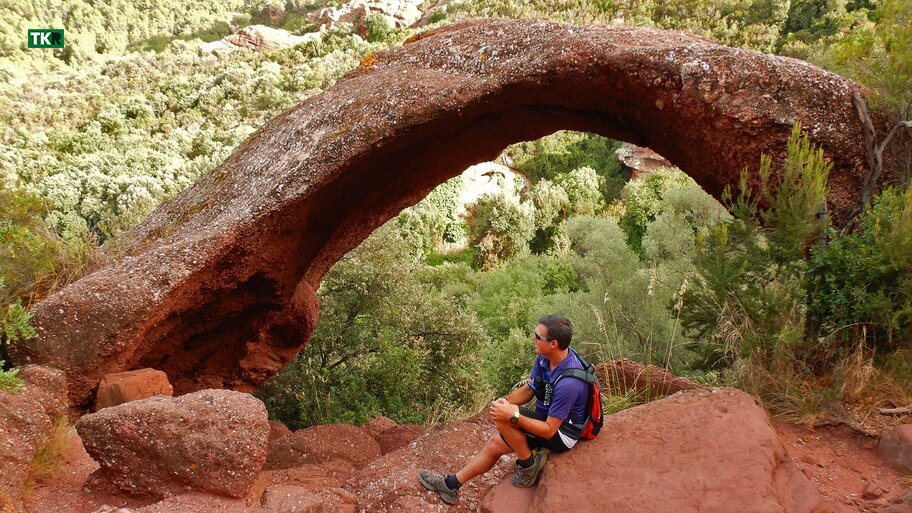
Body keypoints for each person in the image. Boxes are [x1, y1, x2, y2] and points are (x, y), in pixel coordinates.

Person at [418, 314, 589, 504]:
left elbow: (550, 430)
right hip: (546, 418)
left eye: (537, 336)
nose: (533, 338)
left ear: (553, 344)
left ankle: (528, 466)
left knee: (504, 418)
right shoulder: (545, 359)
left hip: (561, 433)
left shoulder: (569, 383)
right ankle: (450, 485)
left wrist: (513, 415)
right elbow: (528, 390)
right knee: (494, 442)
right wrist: (504, 401)